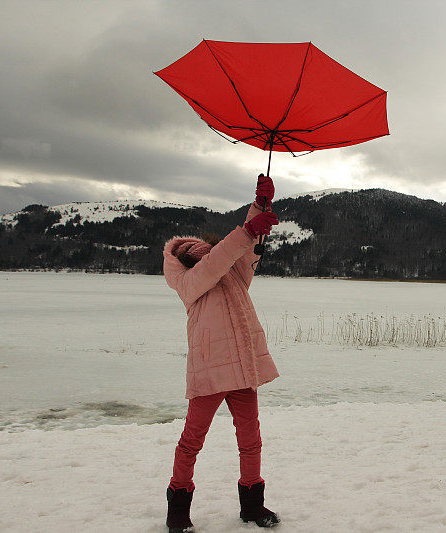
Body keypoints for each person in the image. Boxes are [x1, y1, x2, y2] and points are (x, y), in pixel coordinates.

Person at [161, 174, 282, 532]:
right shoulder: (189, 282)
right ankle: (178, 510)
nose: (202, 255)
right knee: (191, 441)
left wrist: (261, 206)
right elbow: (218, 261)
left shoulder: (229, 273)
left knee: (251, 438)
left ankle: (253, 505)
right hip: (211, 371)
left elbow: (240, 257)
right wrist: (246, 231)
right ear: (182, 259)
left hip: (242, 368)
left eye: (203, 251)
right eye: (194, 254)